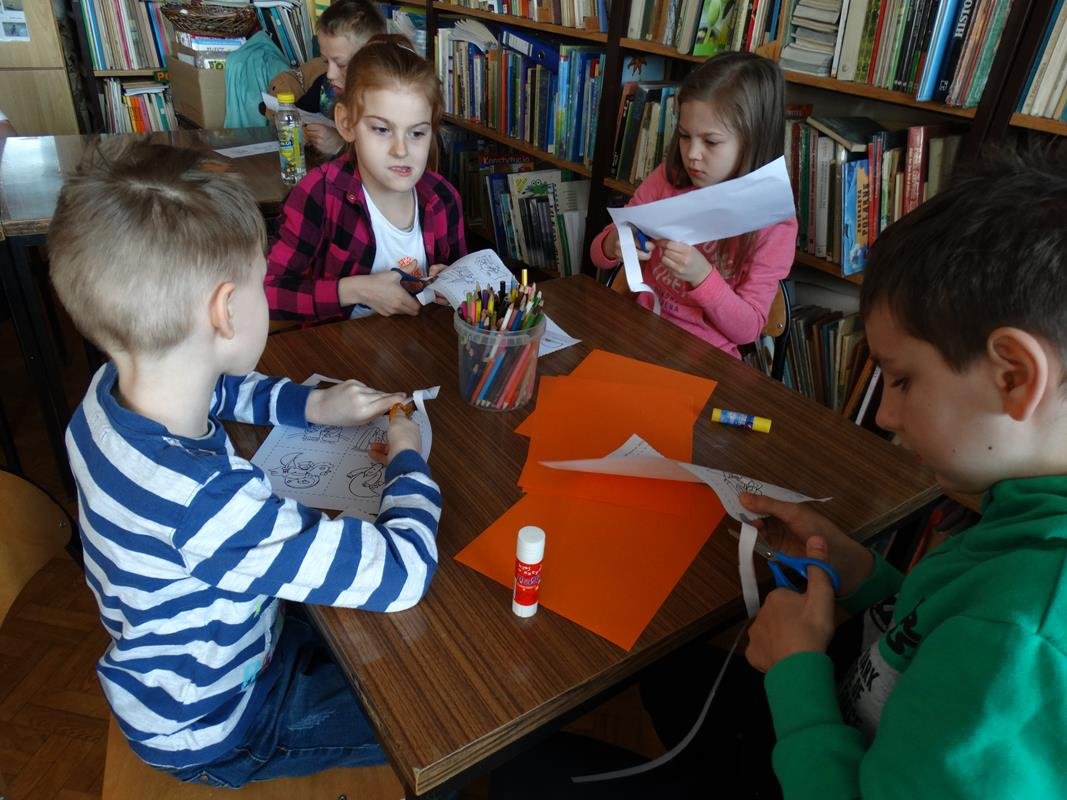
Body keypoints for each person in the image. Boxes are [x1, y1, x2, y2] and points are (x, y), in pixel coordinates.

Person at [490, 146, 1067, 798]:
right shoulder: (1015, 522)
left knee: (515, 777)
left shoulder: (1022, 642)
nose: (884, 414)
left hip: (818, 757)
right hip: (828, 721)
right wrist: (864, 576)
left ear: (1014, 377)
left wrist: (796, 674)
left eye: (903, 380)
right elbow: (926, 625)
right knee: (668, 670)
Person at [48, 139, 442, 788]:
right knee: (431, 717)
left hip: (192, 657)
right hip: (222, 720)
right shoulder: (211, 504)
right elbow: (403, 573)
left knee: (354, 641)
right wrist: (406, 458)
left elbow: (216, 389)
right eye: (262, 282)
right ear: (226, 311)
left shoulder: (106, 395)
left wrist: (312, 405)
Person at [590, 52, 797, 359]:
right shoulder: (669, 178)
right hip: (640, 333)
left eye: (711, 142)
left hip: (707, 358)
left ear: (753, 140)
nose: (692, 154)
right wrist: (613, 244)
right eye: (685, 136)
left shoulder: (772, 223)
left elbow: (748, 329)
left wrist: (702, 276)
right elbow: (598, 255)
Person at [266, 34, 466, 322]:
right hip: (340, 348)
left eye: (417, 133)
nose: (401, 150)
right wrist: (354, 290)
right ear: (347, 123)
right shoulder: (319, 195)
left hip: (421, 345)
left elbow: (466, 284)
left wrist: (455, 285)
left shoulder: (443, 198)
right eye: (381, 130)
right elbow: (269, 292)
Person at [298, 0, 386, 156]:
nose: (330, 74)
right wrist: (304, 132)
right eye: (326, 61)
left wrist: (340, 146)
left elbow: (385, 157)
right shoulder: (326, 87)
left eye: (341, 64)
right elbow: (299, 113)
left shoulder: (384, 102)